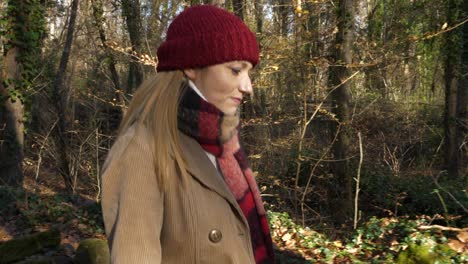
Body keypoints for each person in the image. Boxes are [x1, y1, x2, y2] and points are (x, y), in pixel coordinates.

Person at [101, 4, 275, 264]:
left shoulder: (225, 144)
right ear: (192, 67)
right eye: (236, 70)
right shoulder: (142, 148)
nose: (248, 87)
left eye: (249, 72)